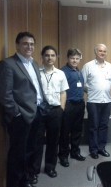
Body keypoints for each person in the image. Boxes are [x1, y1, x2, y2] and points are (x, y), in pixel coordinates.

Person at [0, 32, 44, 187]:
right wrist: (16, 113)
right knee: (18, 154)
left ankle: (25, 180)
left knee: (30, 150)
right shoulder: (8, 64)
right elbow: (5, 94)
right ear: (17, 45)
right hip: (20, 117)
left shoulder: (34, 63)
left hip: (36, 112)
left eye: (32, 44)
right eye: (25, 44)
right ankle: (14, 183)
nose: (29, 47)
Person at [27, 45, 69, 179]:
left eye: (52, 55)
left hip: (55, 111)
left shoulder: (60, 73)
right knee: (37, 141)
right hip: (39, 111)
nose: (50, 58)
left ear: (56, 57)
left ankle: (50, 167)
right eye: (47, 55)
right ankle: (34, 170)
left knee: (53, 141)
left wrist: (61, 108)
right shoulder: (36, 72)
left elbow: (63, 92)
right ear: (42, 57)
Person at [82, 44, 111, 159]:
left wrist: (103, 90)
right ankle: (93, 150)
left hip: (107, 101)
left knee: (104, 126)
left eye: (104, 51)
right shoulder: (88, 66)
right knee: (93, 126)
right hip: (93, 101)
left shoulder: (110, 66)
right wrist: (92, 91)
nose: (102, 53)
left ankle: (102, 148)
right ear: (95, 52)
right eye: (100, 51)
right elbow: (82, 83)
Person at [58, 48, 86, 167]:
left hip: (79, 104)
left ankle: (75, 152)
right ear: (68, 58)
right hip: (68, 105)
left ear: (80, 59)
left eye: (77, 58)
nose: (74, 60)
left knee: (77, 131)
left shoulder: (78, 71)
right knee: (65, 132)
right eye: (72, 58)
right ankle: (63, 155)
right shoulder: (62, 72)